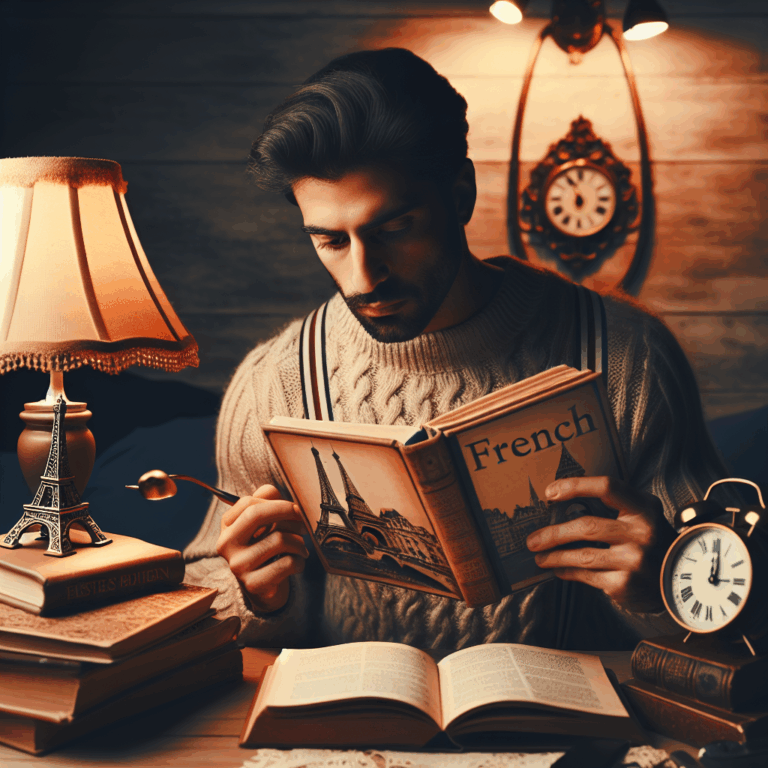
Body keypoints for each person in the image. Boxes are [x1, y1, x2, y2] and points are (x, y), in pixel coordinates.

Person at [184, 48, 726, 650]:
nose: (364, 275)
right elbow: (205, 600)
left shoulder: (629, 359)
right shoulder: (272, 382)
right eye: (331, 240)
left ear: (461, 193)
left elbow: (731, 614)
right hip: (354, 727)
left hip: (577, 726)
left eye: (393, 229)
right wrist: (257, 596)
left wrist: (659, 587)